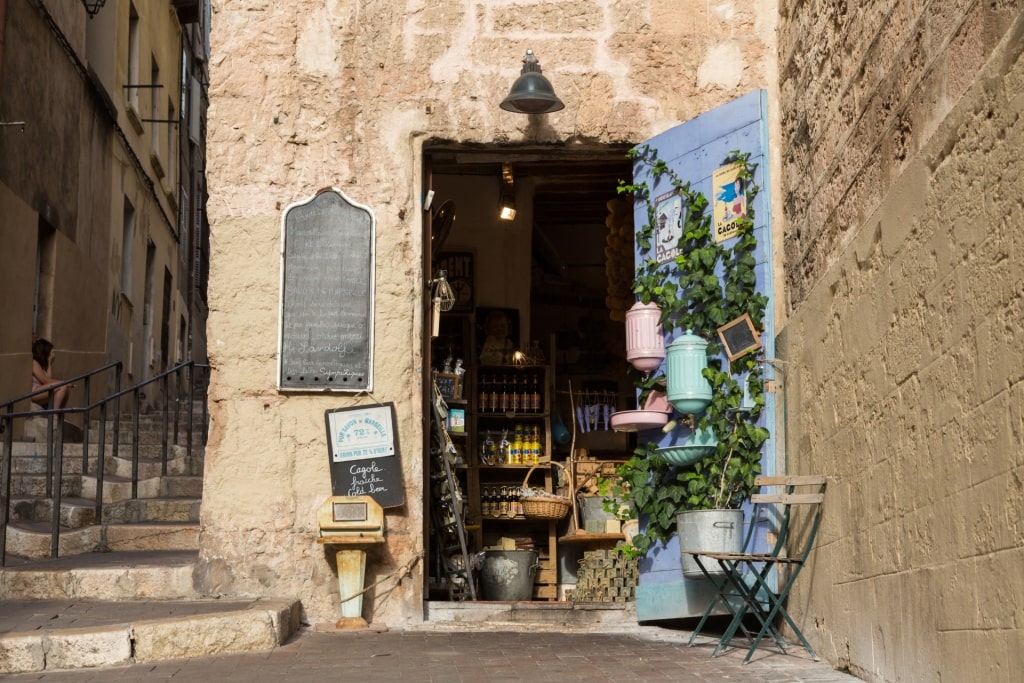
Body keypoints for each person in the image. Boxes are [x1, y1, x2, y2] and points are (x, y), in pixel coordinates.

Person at [31, 338, 71, 408]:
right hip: (34, 392)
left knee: (65, 389)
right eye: (52, 352)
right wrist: (64, 382)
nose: (54, 355)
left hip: (42, 391)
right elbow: (45, 381)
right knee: (62, 386)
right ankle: (53, 415)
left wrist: (49, 363)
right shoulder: (34, 363)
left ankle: (60, 414)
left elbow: (49, 379)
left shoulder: (43, 365)